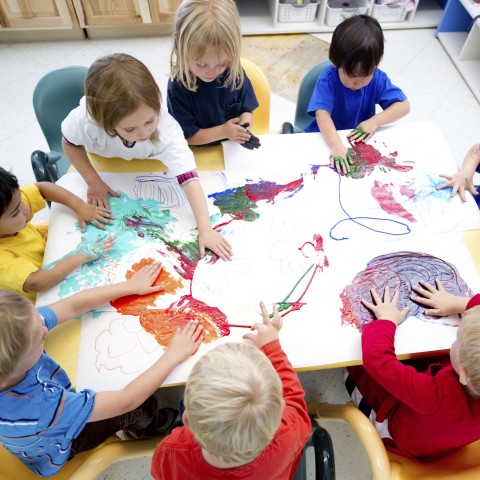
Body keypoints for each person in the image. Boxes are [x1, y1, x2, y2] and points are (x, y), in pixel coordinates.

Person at [0, 261, 204, 477]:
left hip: (30, 431)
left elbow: (70, 306)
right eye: (37, 339)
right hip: (56, 447)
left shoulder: (16, 329)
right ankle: (154, 426)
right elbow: (128, 399)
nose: (44, 329)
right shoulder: (43, 406)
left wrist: (129, 287)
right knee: (142, 404)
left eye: (38, 320)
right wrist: (173, 355)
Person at [61, 53, 232, 261]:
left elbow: (189, 180)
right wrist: (93, 181)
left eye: (150, 121)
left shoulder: (167, 130)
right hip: (101, 162)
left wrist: (205, 229)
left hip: (145, 166)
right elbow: (69, 143)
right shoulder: (86, 120)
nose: (143, 133)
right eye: (130, 128)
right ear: (104, 122)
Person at [151, 302, 311, 479]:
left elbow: (161, 473)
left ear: (186, 420)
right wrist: (272, 346)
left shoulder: (174, 451)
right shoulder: (289, 434)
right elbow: (294, 398)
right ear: (280, 409)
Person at [346, 281, 480, 460]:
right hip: (445, 432)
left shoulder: (437, 396)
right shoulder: (469, 377)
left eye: (458, 339)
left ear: (463, 375)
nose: (455, 341)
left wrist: (386, 320)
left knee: (355, 364)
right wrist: (460, 304)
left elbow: (377, 360)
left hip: (400, 432)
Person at [304, 15, 410, 174]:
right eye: (351, 76)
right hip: (324, 137)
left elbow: (404, 106)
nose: (358, 83)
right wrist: (336, 145)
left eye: (366, 75)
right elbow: (322, 114)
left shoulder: (377, 79)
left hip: (355, 139)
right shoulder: (328, 80)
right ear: (336, 62)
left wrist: (374, 122)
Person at [0, 166, 113, 303]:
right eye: (15, 213)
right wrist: (81, 255)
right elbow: (36, 282)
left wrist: (79, 206)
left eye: (21, 202)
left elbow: (41, 188)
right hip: (40, 297)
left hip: (50, 252)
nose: (26, 209)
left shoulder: (9, 201)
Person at [168, 0, 261, 150]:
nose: (212, 72)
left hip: (232, 152)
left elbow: (247, 110)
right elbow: (188, 136)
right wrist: (223, 131)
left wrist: (244, 129)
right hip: (199, 153)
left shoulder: (234, 72)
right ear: (180, 46)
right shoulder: (179, 86)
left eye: (221, 64)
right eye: (201, 64)